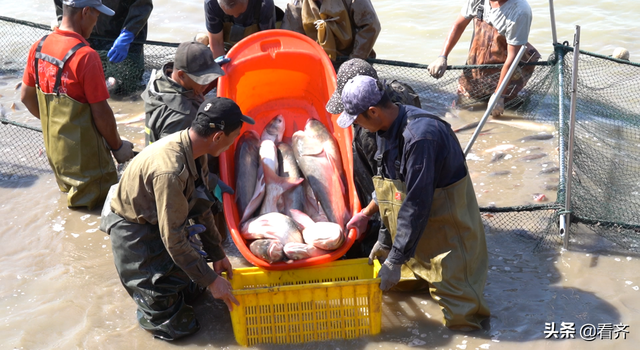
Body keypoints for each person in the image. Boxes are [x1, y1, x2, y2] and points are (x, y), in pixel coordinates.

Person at [339, 75, 490, 330]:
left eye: (357, 120)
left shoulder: (420, 137)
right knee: (388, 290)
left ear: (373, 111)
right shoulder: (382, 130)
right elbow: (390, 189)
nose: (357, 127)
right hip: (416, 240)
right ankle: (415, 272)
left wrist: (395, 259)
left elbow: (416, 204)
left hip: (448, 240)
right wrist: (381, 234)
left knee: (464, 322)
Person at [101, 97, 254, 341]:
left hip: (157, 217)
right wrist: (213, 281)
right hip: (133, 229)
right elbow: (174, 241)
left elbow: (201, 205)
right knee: (178, 327)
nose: (233, 142)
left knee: (195, 292)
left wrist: (217, 255)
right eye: (234, 136)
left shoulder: (196, 149)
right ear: (217, 137)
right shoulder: (170, 171)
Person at [21, 0, 134, 210]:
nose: (96, 23)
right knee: (101, 215)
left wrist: (57, 125)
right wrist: (117, 146)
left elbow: (26, 97)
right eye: (97, 16)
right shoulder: (86, 56)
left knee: (71, 210)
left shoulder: (38, 46)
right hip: (88, 166)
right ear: (86, 11)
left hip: (57, 156)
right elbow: (102, 114)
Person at [325, 58, 422, 257]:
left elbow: (388, 183)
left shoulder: (371, 132)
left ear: (371, 111)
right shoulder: (398, 92)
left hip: (401, 205)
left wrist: (373, 219)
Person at [428, 0, 540, 116]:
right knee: (464, 111)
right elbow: (458, 25)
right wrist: (442, 56)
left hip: (507, 72)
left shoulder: (520, 11)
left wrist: (499, 95)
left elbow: (513, 59)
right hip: (477, 66)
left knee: (503, 115)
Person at [54, 0, 154, 94]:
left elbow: (144, 4)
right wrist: (63, 23)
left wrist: (127, 34)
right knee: (85, 78)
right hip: (88, 29)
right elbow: (62, 4)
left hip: (124, 29)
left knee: (124, 89)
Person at [142, 41, 225, 145]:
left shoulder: (160, 79)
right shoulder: (182, 117)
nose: (207, 84)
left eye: (209, 77)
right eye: (202, 79)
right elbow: (172, 157)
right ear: (181, 75)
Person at [281, 0, 380, 61]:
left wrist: (354, 60)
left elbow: (371, 27)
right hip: (320, 61)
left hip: (353, 56)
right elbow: (291, 39)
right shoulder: (296, 5)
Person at [205, 0, 277, 59]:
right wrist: (223, 70)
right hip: (227, 44)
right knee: (202, 40)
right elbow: (216, 42)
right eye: (230, 14)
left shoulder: (264, 4)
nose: (236, 17)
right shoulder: (211, 3)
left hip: (256, 46)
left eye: (240, 13)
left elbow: (268, 42)